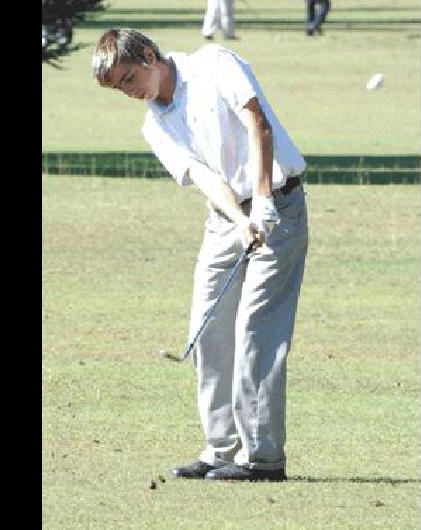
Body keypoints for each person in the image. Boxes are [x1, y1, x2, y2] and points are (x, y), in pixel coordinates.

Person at [92, 28, 308, 482]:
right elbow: (207, 177)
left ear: (149, 56)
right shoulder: (155, 124)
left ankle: (263, 459)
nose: (130, 93)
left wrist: (264, 203)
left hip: (280, 205)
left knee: (256, 328)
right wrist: (240, 217)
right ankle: (220, 448)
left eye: (129, 78)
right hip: (226, 217)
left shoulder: (214, 63)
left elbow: (256, 121)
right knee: (208, 324)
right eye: (119, 88)